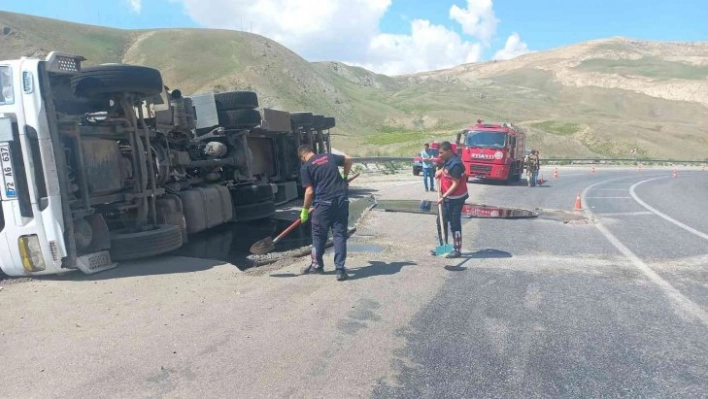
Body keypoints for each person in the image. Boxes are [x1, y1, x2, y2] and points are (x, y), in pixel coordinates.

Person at [298, 144, 353, 281]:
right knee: (339, 235)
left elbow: (309, 191)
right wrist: (345, 177)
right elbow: (348, 159)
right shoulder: (328, 156)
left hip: (323, 205)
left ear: (302, 157)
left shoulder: (306, 167)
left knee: (318, 236)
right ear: (313, 152)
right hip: (341, 200)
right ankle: (340, 270)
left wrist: (304, 210)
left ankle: (317, 266)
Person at [432, 141, 469, 258]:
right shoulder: (448, 160)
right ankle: (444, 248)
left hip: (456, 198)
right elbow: (445, 168)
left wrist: (443, 197)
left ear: (448, 151)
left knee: (454, 223)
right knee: (440, 221)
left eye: (441, 153)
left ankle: (457, 250)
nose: (439, 155)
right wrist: (440, 171)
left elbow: (455, 184)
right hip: (446, 197)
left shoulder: (456, 165)